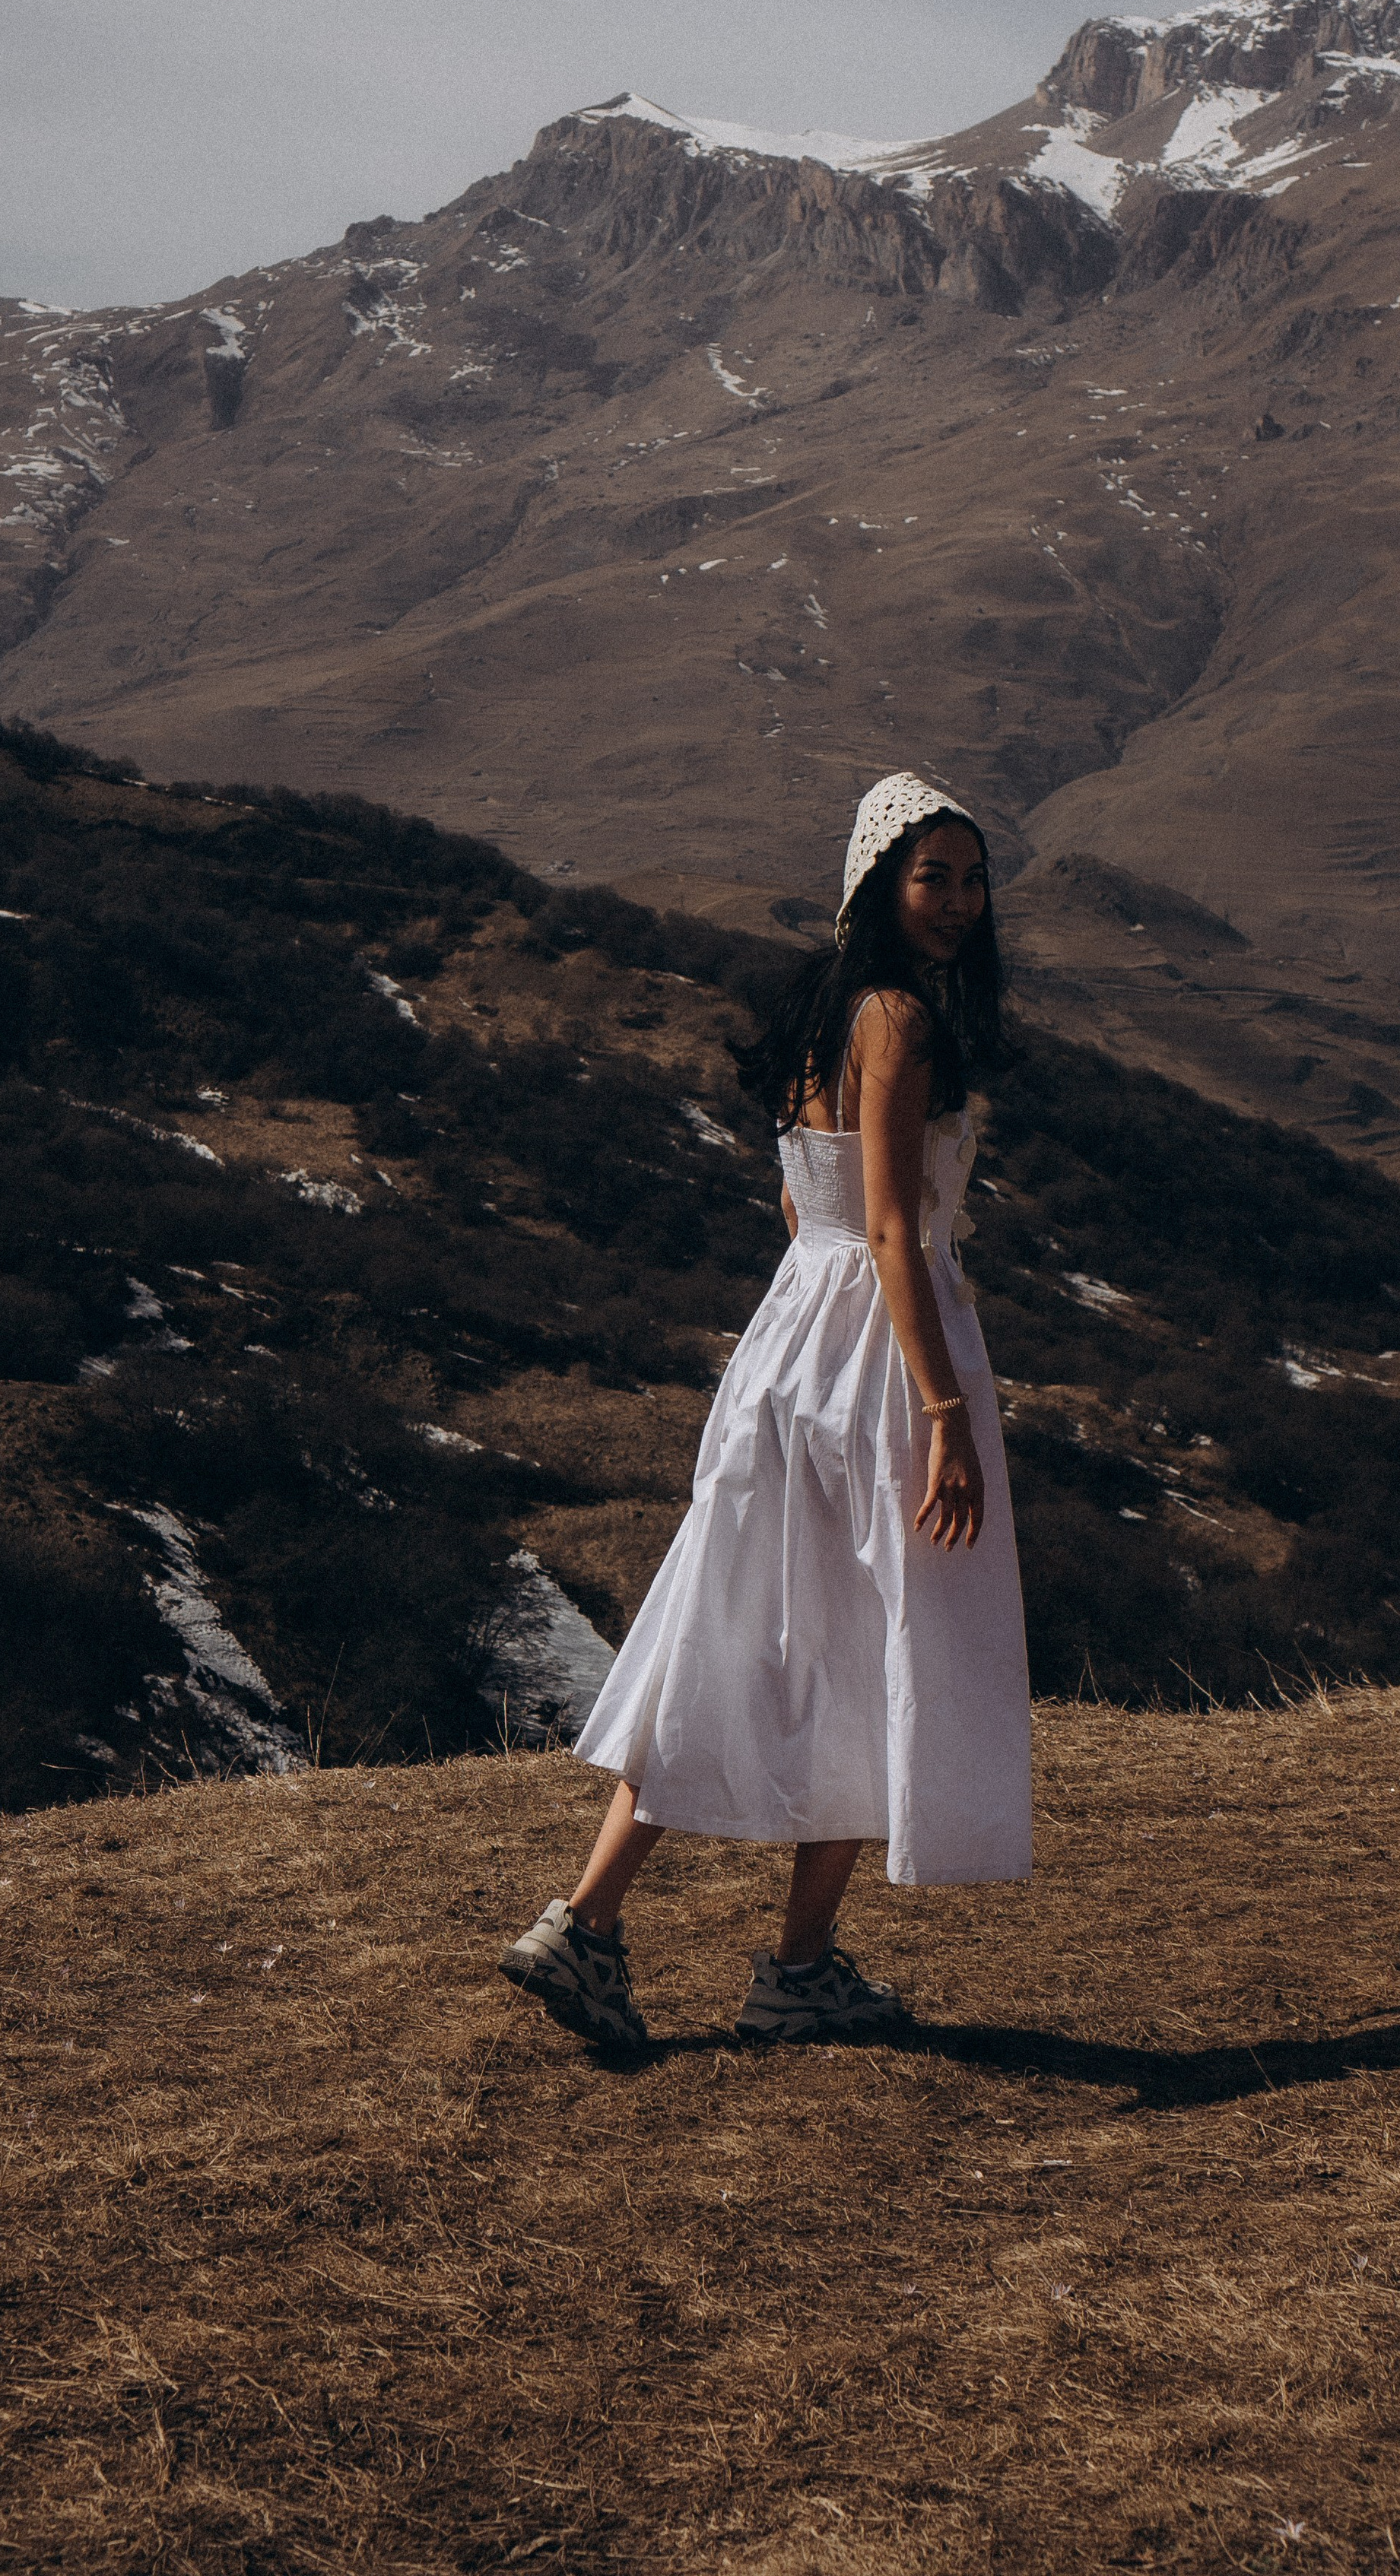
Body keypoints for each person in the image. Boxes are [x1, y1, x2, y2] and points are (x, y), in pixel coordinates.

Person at [498, 771, 1033, 2049]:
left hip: (792, 1343)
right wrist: (944, 1408)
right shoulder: (900, 1018)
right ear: (879, 886)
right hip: (878, 1357)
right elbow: (898, 1230)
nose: (957, 902)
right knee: (882, 1636)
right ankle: (794, 1968)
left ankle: (589, 1924)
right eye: (932, 877)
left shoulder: (824, 1011)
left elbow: (811, 1211)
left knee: (733, 1627)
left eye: (970, 878)